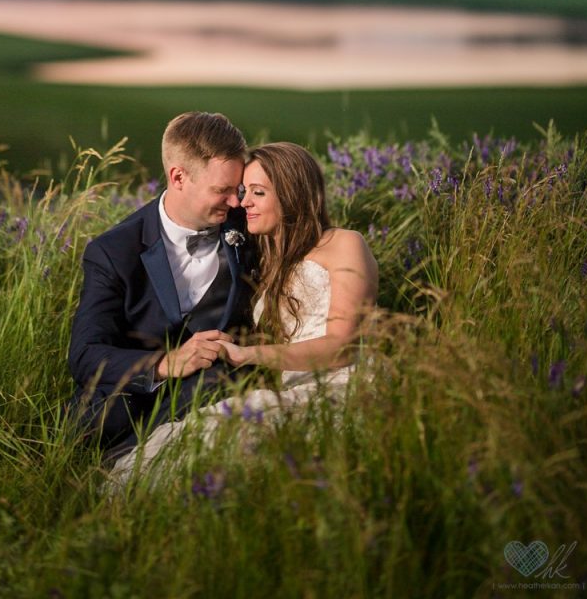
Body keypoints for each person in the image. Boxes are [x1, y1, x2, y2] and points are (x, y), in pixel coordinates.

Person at [109, 141, 378, 484]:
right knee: (201, 433)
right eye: (242, 190)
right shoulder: (268, 260)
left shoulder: (343, 243)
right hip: (291, 387)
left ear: (292, 193)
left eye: (258, 192)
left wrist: (246, 355)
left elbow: (343, 346)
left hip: (343, 386)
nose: (243, 202)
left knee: (231, 436)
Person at [68, 111, 257, 453]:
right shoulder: (112, 251)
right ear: (178, 177)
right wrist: (166, 364)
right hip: (129, 398)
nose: (236, 202)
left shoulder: (248, 225)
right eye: (223, 190)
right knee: (96, 419)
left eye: (239, 189)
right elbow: (84, 355)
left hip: (211, 389)